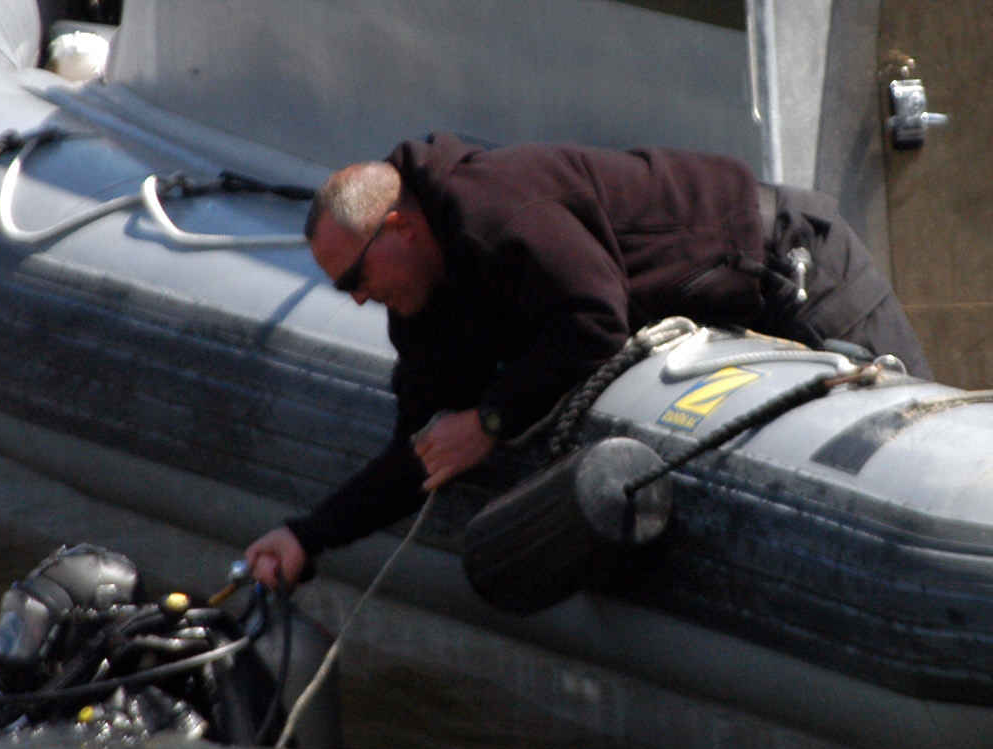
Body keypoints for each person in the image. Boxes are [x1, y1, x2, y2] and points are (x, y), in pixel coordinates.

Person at [242, 134, 928, 588]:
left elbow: (594, 322)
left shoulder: (492, 210)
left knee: (914, 444)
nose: (359, 300)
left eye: (354, 278)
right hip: (727, 310)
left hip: (793, 263)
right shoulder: (420, 301)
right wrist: (308, 536)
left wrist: (490, 422)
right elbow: (419, 447)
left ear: (400, 228)